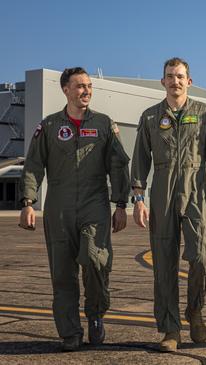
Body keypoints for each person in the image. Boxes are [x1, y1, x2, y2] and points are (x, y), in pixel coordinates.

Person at [18, 67, 130, 351]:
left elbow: (118, 166)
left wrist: (120, 204)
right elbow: (33, 165)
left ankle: (95, 314)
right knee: (62, 273)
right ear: (65, 89)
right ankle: (70, 332)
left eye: (89, 86)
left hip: (94, 203)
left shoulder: (104, 124)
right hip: (59, 208)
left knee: (96, 260)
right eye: (80, 86)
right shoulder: (50, 126)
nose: (86, 91)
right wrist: (28, 203)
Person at [131, 57, 206, 352]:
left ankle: (194, 310)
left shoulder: (205, 113)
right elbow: (140, 160)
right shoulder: (150, 117)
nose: (175, 81)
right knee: (164, 264)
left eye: (180, 76)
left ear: (189, 81)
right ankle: (171, 329)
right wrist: (139, 199)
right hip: (161, 190)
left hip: (195, 189)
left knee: (203, 259)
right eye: (170, 76)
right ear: (163, 81)